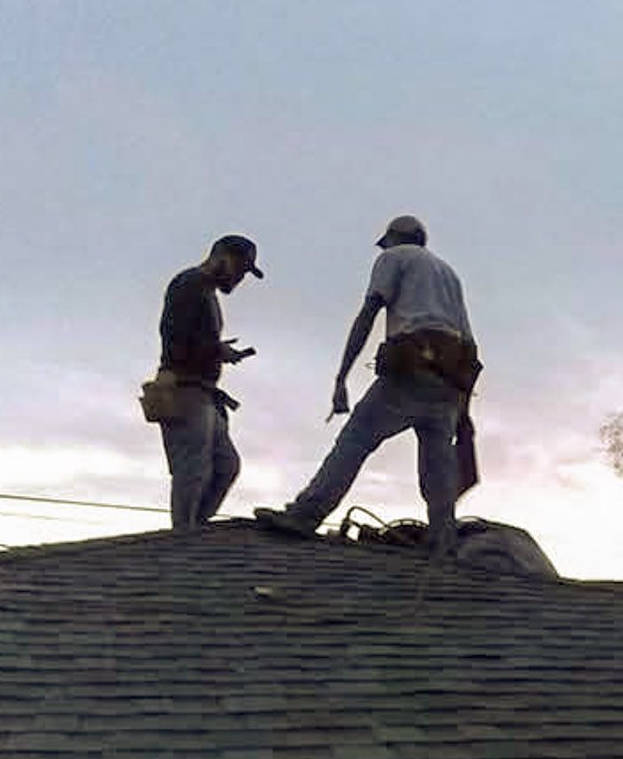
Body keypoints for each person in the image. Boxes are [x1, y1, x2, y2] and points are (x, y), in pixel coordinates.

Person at [257, 215, 480, 554]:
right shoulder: (449, 274)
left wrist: (342, 376)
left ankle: (305, 515)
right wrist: (463, 409)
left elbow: (369, 312)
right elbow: (470, 345)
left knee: (356, 438)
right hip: (449, 380)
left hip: (411, 369)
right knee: (438, 467)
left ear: (395, 238)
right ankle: (443, 539)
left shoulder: (394, 258)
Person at [154, 234, 261, 531]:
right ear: (221, 257)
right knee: (193, 468)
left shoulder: (204, 290)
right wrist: (217, 350)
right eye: (240, 269)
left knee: (225, 466)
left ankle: (195, 526)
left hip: (202, 391)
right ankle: (184, 535)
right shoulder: (191, 284)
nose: (239, 279)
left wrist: (217, 350)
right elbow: (176, 337)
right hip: (185, 389)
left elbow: (190, 338)